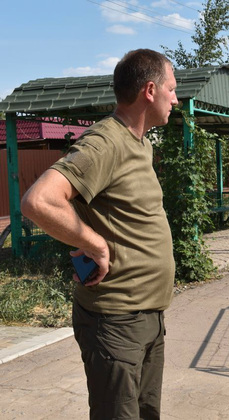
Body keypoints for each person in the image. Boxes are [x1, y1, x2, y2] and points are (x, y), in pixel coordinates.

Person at [20, 49, 178, 420]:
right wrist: (93, 243)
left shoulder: (139, 143)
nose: (176, 98)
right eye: (172, 89)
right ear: (150, 91)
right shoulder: (105, 142)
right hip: (116, 321)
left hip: (147, 317)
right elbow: (38, 201)